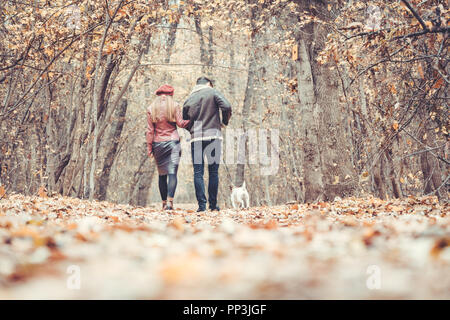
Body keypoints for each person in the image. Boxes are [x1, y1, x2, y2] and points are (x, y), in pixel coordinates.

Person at [182, 76, 232, 212]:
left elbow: (184, 120)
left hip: (196, 137)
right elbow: (226, 106)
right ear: (209, 83)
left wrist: (192, 130)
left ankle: (201, 206)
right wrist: (224, 122)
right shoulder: (212, 92)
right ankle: (213, 205)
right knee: (213, 172)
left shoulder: (190, 98)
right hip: (213, 135)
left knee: (198, 172)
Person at [146, 84, 189, 210]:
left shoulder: (151, 108)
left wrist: (149, 147)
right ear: (171, 95)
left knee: (162, 175)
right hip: (173, 142)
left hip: (158, 144)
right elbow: (181, 124)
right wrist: (192, 120)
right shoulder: (174, 106)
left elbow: (150, 131)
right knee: (172, 173)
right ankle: (170, 202)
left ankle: (164, 204)